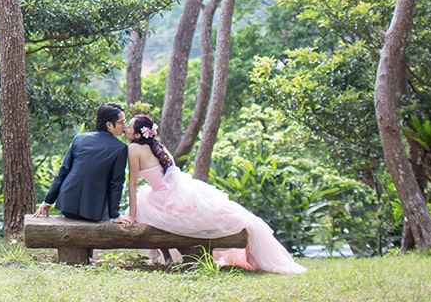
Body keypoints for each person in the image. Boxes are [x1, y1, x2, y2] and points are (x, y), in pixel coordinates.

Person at [114, 114, 306, 274]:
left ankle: (167, 257)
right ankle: (166, 257)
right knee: (151, 211)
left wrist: (131, 214)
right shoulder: (158, 145)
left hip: (165, 193)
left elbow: (132, 184)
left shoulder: (133, 149)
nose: (126, 129)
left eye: (129, 126)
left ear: (139, 134)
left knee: (143, 211)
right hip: (174, 188)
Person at [35, 102, 128, 237]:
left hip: (67, 203)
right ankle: (86, 258)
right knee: (94, 224)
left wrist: (48, 201)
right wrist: (115, 215)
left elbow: (63, 171)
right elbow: (116, 184)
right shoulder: (120, 148)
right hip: (92, 209)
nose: (124, 126)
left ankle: (83, 258)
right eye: (122, 122)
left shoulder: (79, 139)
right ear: (109, 125)